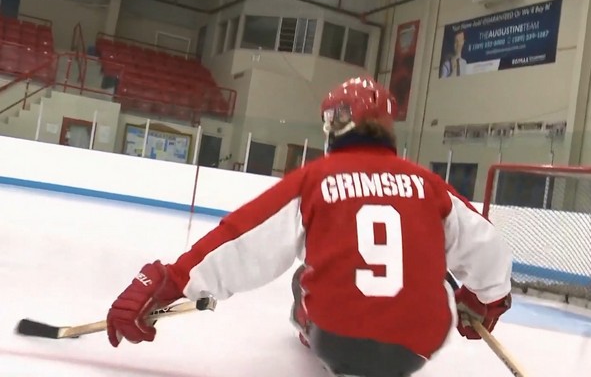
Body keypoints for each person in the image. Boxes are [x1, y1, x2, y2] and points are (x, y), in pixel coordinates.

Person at [105, 76, 513, 377]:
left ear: (338, 125)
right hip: (417, 347)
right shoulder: (429, 186)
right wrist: (486, 298)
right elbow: (488, 247)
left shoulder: (316, 179)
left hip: (340, 341)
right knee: (431, 277)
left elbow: (242, 241)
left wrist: (169, 281)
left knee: (304, 275)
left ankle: (312, 331)